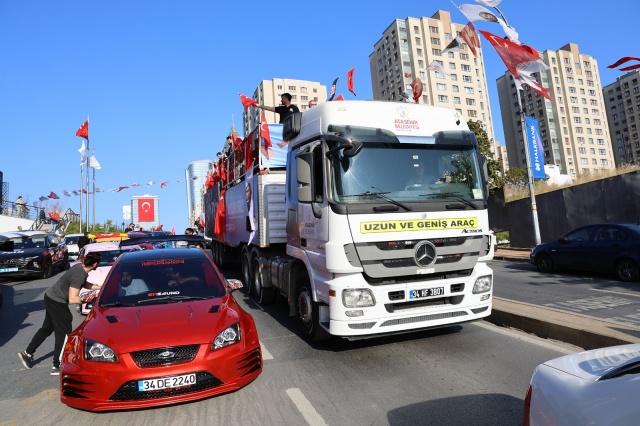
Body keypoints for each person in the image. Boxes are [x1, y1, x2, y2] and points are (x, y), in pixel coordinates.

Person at [18, 252, 102, 376]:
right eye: (98, 263)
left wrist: (100, 287)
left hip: (50, 297)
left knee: (47, 328)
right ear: (94, 264)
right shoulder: (79, 274)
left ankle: (27, 353)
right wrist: (89, 300)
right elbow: (73, 299)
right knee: (65, 332)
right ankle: (56, 365)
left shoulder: (79, 268)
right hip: (57, 301)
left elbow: (83, 284)